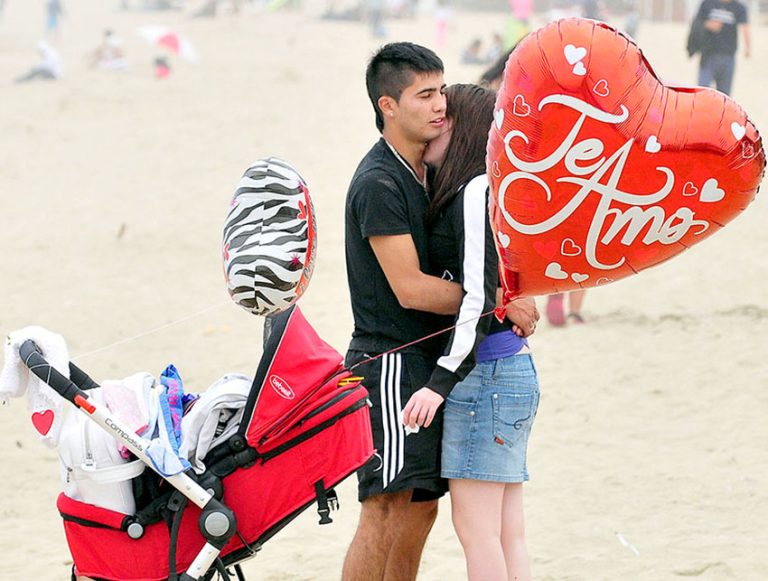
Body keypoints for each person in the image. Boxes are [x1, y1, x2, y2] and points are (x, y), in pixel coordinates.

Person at [342, 42, 537, 581]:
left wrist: (497, 293)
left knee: (421, 509)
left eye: (441, 94)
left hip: (434, 363)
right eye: (424, 95)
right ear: (388, 105)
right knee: (384, 508)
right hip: (389, 363)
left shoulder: (430, 173)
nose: (438, 107)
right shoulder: (380, 182)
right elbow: (411, 290)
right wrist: (498, 300)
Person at [403, 84, 540, 581]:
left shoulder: (476, 189)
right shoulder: (492, 189)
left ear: (465, 131)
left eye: (445, 117)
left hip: (487, 378)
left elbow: (478, 299)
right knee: (507, 533)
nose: (435, 122)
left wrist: (440, 383)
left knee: (477, 530)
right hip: (511, 369)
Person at [688, 0, 750, 96]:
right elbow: (696, 23)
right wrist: (708, 24)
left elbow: (745, 26)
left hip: (728, 57)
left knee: (724, 96)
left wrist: (748, 47)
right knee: (702, 93)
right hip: (708, 56)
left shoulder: (738, 7)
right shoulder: (707, 4)